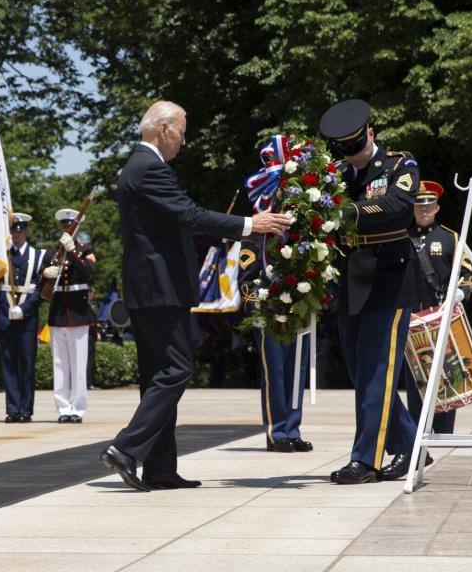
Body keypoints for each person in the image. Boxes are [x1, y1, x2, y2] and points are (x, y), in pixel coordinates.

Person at [101, 101, 290, 491]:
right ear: (165, 129)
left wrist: (242, 231)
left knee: (158, 375)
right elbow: (189, 215)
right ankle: (125, 447)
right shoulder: (150, 167)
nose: (184, 142)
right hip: (159, 288)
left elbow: (181, 223)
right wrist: (249, 224)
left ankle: (160, 468)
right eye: (183, 133)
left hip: (152, 287)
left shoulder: (141, 167)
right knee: (177, 369)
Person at [320, 99, 422, 484]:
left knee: (377, 371)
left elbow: (398, 207)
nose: (354, 157)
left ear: (371, 134)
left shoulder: (400, 164)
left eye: (357, 147)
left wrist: (351, 212)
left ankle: (366, 460)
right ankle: (413, 448)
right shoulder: (341, 175)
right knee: (359, 370)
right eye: (346, 151)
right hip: (351, 279)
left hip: (388, 279)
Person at [404, 180, 472, 435]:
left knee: (447, 376)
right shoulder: (402, 237)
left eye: (429, 205)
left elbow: (467, 272)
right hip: (411, 319)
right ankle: (416, 433)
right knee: (415, 379)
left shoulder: (450, 238)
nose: (424, 210)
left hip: (440, 316)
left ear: (436, 208)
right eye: (419, 205)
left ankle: (443, 433)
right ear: (412, 208)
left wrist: (460, 292)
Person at [238, 240, 313, 452]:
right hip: (268, 314)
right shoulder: (255, 236)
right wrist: (262, 307)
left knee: (296, 372)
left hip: (298, 310)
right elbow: (246, 282)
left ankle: (292, 429)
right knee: (275, 374)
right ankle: (277, 432)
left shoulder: (298, 235)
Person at [41, 209, 96, 423]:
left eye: (70, 225)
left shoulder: (84, 250)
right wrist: (44, 274)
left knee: (78, 365)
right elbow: (42, 284)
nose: (67, 229)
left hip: (78, 313)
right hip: (58, 314)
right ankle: (63, 408)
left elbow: (88, 273)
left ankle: (78, 408)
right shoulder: (52, 252)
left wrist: (72, 252)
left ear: (76, 227)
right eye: (64, 226)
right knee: (60, 365)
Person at [0, 213, 44, 423]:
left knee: (27, 365)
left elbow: (41, 290)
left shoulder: (38, 256)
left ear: (26, 231)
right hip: (6, 317)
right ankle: (12, 409)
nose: (17, 234)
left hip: (27, 319)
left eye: (20, 230)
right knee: (8, 364)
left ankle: (26, 409)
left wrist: (25, 309)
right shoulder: (2, 255)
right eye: (13, 230)